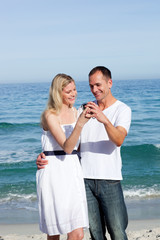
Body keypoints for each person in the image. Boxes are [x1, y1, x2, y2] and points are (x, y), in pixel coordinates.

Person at [37, 67, 132, 240]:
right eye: (91, 86)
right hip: (83, 179)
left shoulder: (122, 109)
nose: (95, 90)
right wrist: (44, 155)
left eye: (98, 85)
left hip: (109, 179)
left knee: (118, 231)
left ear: (109, 83)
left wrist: (104, 119)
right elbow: (70, 143)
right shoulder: (82, 110)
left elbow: (119, 139)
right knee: (95, 233)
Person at [36, 73, 90, 240]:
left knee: (78, 233)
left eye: (74, 89)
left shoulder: (76, 111)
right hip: (54, 172)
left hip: (72, 169)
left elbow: (78, 147)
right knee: (54, 232)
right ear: (58, 93)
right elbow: (67, 147)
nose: (73, 94)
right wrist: (80, 123)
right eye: (68, 91)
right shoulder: (50, 115)